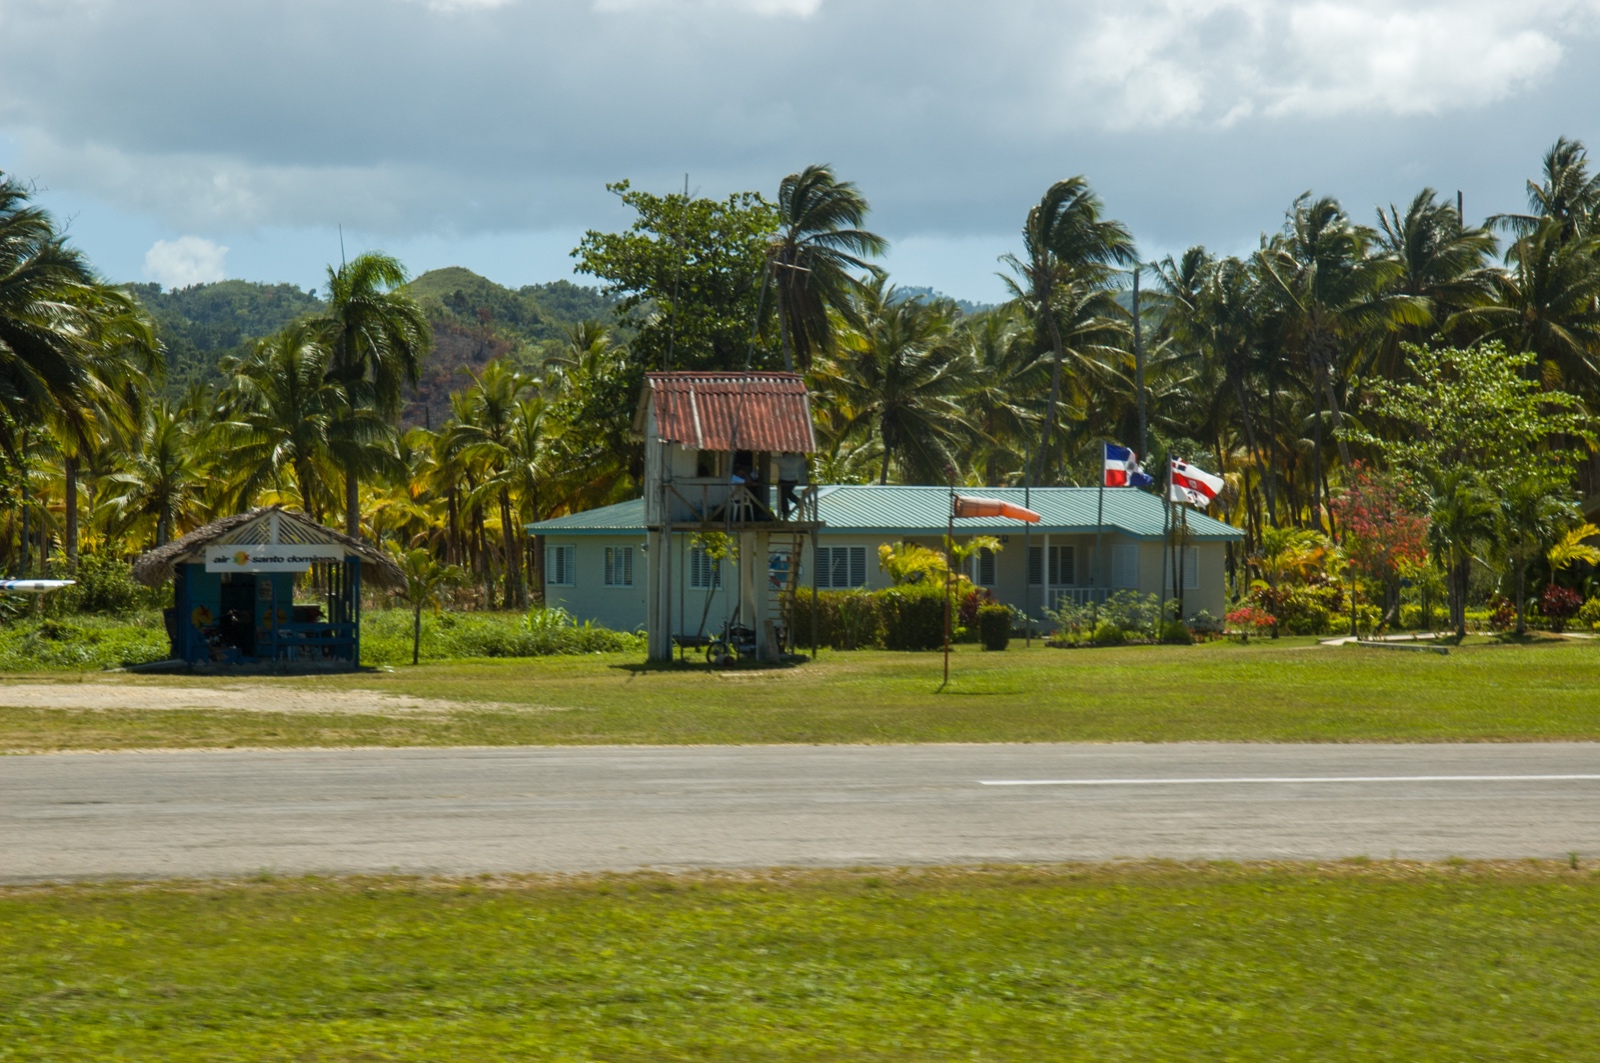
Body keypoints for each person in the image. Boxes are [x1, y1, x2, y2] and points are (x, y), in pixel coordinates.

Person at [777, 452, 806, 519]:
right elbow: (803, 458)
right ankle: (799, 502)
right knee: (788, 494)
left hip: (783, 481)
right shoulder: (796, 459)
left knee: (783, 497)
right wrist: (801, 451)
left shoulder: (781, 460)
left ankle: (785, 512)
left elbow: (771, 459)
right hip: (793, 481)